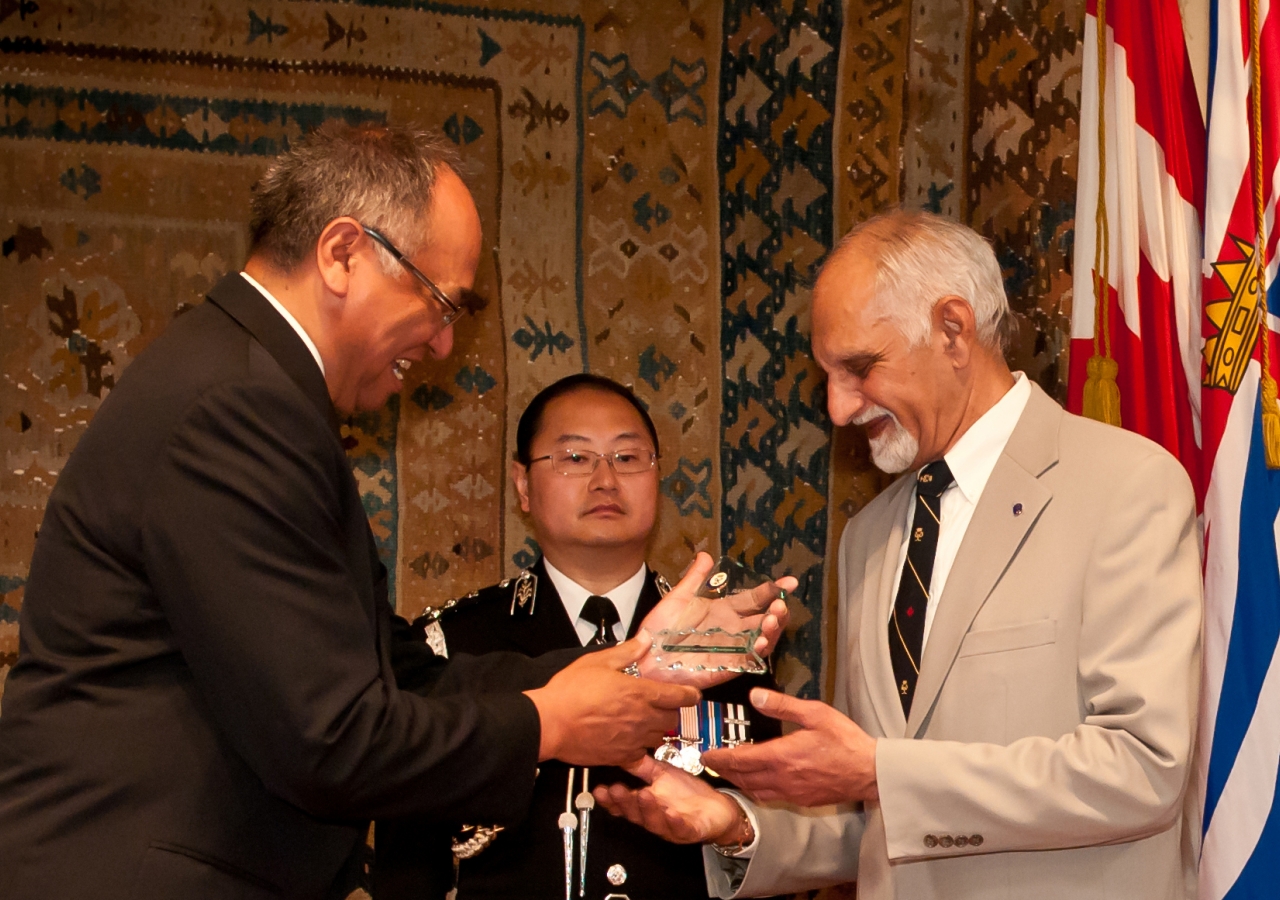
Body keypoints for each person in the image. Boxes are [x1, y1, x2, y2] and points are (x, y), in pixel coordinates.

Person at [0, 123, 791, 900]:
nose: (445, 344)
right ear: (343, 254)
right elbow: (334, 740)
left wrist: (620, 670)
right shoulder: (241, 406)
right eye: (442, 302)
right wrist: (550, 722)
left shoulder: (251, 386)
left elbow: (398, 675)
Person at [595, 210, 1203, 900]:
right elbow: (884, 821)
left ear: (952, 330)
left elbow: (1144, 770)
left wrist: (881, 772)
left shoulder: (1124, 487)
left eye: (858, 368)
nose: (836, 407)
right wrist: (737, 826)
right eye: (826, 374)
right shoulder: (871, 537)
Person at [376, 373, 781, 900]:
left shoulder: (724, 638)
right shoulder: (452, 644)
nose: (606, 480)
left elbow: (773, 833)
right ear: (523, 485)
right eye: (574, 458)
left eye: (629, 458)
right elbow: (408, 863)